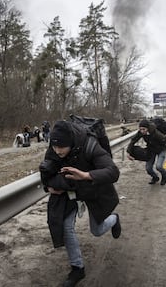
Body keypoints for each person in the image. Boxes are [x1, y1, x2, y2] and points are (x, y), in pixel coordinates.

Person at [39, 120, 121, 286]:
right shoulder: (55, 146)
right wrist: (48, 188)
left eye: (61, 147)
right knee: (66, 226)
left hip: (92, 187)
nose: (56, 151)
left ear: (70, 142)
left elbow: (113, 172)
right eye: (54, 147)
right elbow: (46, 171)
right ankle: (78, 268)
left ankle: (114, 219)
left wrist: (85, 176)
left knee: (97, 230)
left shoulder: (90, 145)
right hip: (70, 187)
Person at [127, 119, 166, 185]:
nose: (142, 131)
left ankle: (165, 175)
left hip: (161, 149)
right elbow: (133, 140)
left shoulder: (156, 133)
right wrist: (128, 152)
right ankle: (155, 177)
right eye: (140, 129)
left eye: (144, 129)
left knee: (159, 166)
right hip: (151, 150)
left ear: (148, 128)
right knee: (148, 168)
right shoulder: (140, 132)